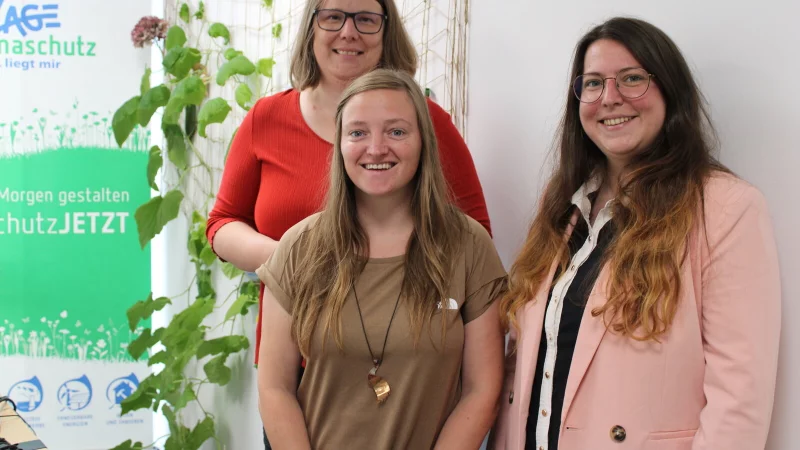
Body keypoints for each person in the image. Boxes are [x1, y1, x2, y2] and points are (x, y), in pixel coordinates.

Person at [205, 1, 491, 446]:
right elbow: (223, 223)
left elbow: (473, 241)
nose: (349, 32)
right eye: (333, 16)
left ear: (386, 29)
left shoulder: (430, 123)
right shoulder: (267, 119)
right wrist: (295, 264)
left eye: (366, 18)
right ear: (312, 27)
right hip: (306, 362)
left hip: (415, 364)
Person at [490, 17, 781, 450]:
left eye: (631, 79)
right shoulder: (562, 202)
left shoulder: (724, 207)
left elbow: (740, 399)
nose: (610, 98)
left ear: (669, 91)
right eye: (592, 84)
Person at [254, 68, 506, 449]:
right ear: (339, 145)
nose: (375, 148)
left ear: (424, 141)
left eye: (396, 131)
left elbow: (481, 390)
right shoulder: (298, 248)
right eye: (357, 132)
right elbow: (274, 389)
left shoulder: (468, 245)